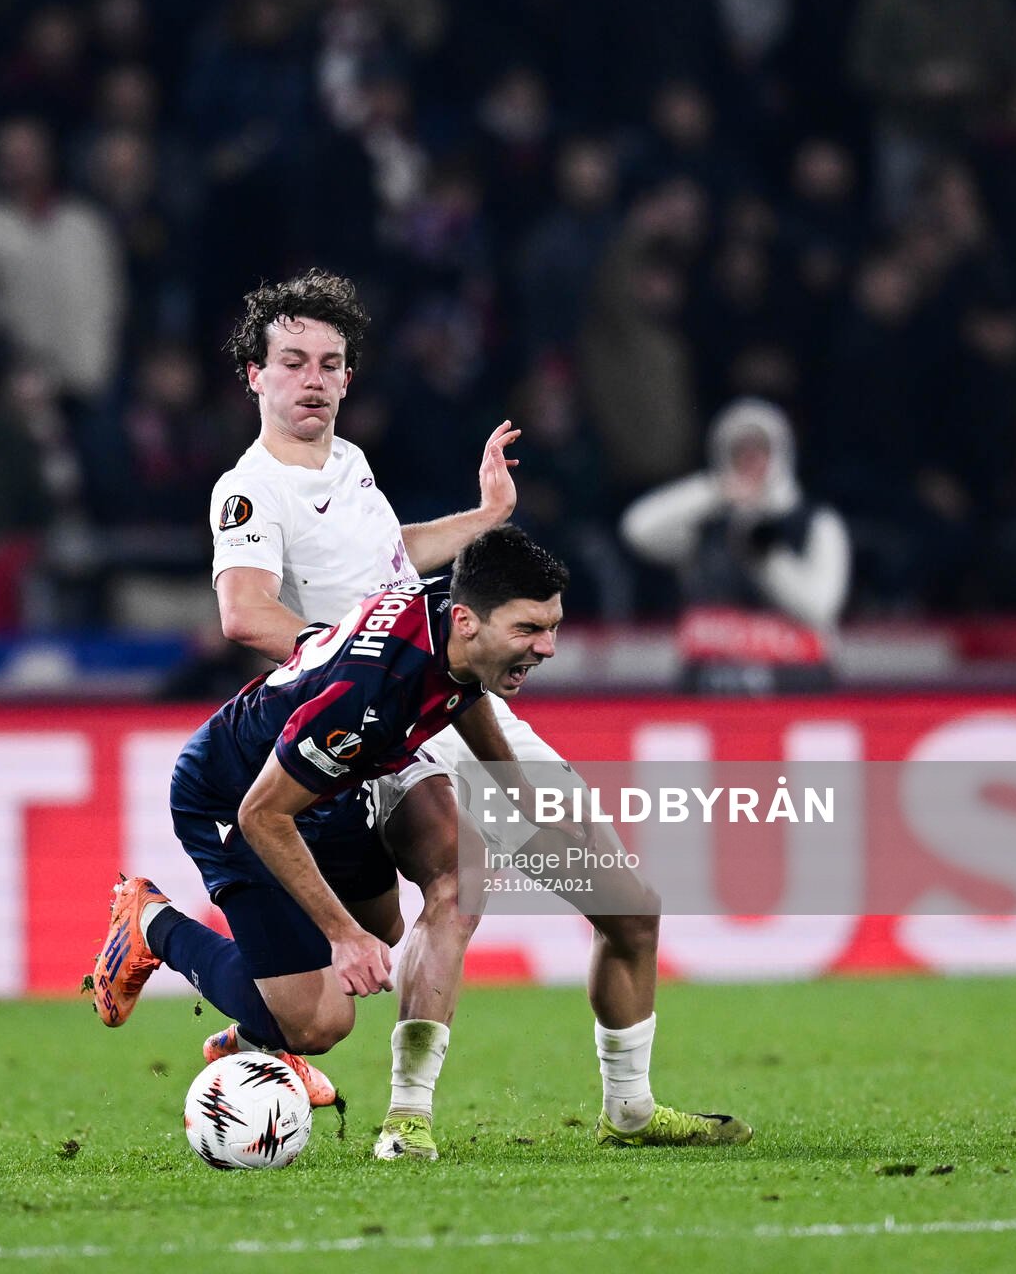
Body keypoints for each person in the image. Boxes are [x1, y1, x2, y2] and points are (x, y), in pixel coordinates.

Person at [201, 270, 749, 1159]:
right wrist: (363, 662)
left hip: (451, 691)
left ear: (347, 377)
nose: (312, 379)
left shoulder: (347, 464)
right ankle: (407, 1119)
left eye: (329, 364)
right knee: (455, 881)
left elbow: (386, 559)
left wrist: (485, 518)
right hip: (383, 721)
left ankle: (633, 1110)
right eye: (291, 362)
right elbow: (245, 612)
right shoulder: (251, 488)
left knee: (628, 909)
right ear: (253, 376)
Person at [89, 527, 565, 1152]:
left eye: (552, 626)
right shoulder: (367, 695)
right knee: (322, 1019)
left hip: (327, 788)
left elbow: (462, 690)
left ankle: (261, 1027)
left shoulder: (453, 624)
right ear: (470, 621)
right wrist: (339, 938)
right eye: (532, 630)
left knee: (384, 929)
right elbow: (264, 816)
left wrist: (519, 790)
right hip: (234, 797)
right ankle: (151, 924)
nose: (548, 647)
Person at [621, 397, 850, 694]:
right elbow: (638, 529)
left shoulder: (815, 522)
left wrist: (764, 556)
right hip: (709, 681)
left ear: (779, 454)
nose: (750, 461)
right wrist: (715, 490)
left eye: (760, 450)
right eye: (740, 451)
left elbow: (820, 609)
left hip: (794, 681)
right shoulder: (705, 524)